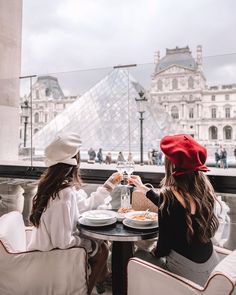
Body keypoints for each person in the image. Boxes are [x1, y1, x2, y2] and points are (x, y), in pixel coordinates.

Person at [27, 133, 122, 294]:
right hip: (51, 256)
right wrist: (91, 244)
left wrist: (107, 186)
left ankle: (102, 278)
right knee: (103, 250)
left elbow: (82, 206)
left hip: (47, 248)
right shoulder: (64, 194)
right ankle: (91, 286)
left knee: (102, 244)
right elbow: (63, 242)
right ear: (74, 162)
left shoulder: (56, 186)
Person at [129, 134, 219, 287]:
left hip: (189, 274)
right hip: (211, 266)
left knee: (136, 255)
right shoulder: (203, 190)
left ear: (170, 166)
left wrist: (150, 250)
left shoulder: (169, 196)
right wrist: (144, 189)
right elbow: (177, 211)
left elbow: (163, 248)